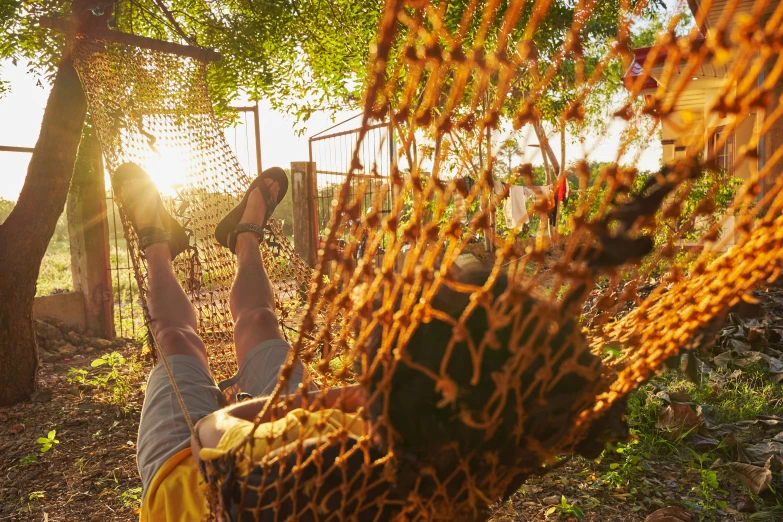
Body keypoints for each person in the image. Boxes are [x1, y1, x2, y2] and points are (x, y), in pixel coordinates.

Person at [121, 162, 626, 521]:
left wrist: (333, 398)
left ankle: (158, 242)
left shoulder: (310, 461)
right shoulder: (467, 468)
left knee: (178, 339)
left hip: (186, 482)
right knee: (258, 323)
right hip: (286, 434)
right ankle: (245, 233)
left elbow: (209, 431)